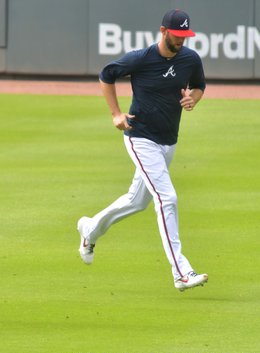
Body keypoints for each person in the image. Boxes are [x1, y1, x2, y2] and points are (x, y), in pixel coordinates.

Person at [77, 9, 208, 291]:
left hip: (168, 140)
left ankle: (89, 230)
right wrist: (115, 114)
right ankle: (181, 272)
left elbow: (199, 86)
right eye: (177, 34)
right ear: (163, 31)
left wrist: (192, 100)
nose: (182, 40)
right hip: (140, 137)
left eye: (186, 35)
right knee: (167, 198)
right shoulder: (141, 58)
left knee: (137, 201)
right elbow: (106, 75)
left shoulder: (190, 59)